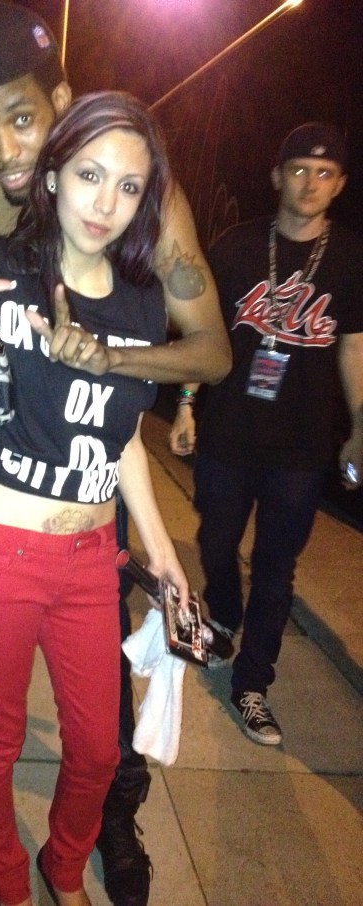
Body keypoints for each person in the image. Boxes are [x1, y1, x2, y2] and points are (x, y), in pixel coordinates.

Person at [0, 4, 231, 905]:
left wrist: (112, 362)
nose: (6, 151)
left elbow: (210, 351)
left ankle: (109, 825)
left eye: (22, 118)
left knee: (100, 735)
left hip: (93, 507)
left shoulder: (141, 203)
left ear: (61, 101)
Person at [169, 122, 363, 746]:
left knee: (277, 570)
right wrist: (187, 405)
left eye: (325, 173)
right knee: (216, 542)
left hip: (301, 447)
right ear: (278, 176)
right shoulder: (238, 246)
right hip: (228, 432)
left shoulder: (350, 258)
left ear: (340, 185)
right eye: (299, 169)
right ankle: (225, 616)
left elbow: (353, 348)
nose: (310, 182)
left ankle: (252, 683)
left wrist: (359, 427)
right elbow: (203, 334)